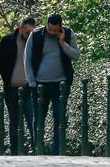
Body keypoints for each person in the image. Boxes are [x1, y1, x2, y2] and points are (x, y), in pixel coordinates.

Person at [24, 13, 79, 155]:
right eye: (50, 29)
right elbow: (27, 58)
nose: (53, 32)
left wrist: (63, 44)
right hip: (40, 84)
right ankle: (39, 149)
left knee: (59, 117)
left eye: (56, 30)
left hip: (61, 84)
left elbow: (76, 55)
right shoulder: (36, 35)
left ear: (60, 27)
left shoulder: (68, 33)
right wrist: (31, 82)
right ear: (46, 25)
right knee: (39, 118)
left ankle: (57, 150)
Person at [0, 17, 37, 155]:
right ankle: (15, 151)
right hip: (11, 87)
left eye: (32, 31)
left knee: (32, 117)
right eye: (27, 31)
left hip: (29, 88)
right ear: (20, 28)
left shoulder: (34, 41)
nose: (29, 34)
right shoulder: (7, 41)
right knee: (14, 121)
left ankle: (37, 149)